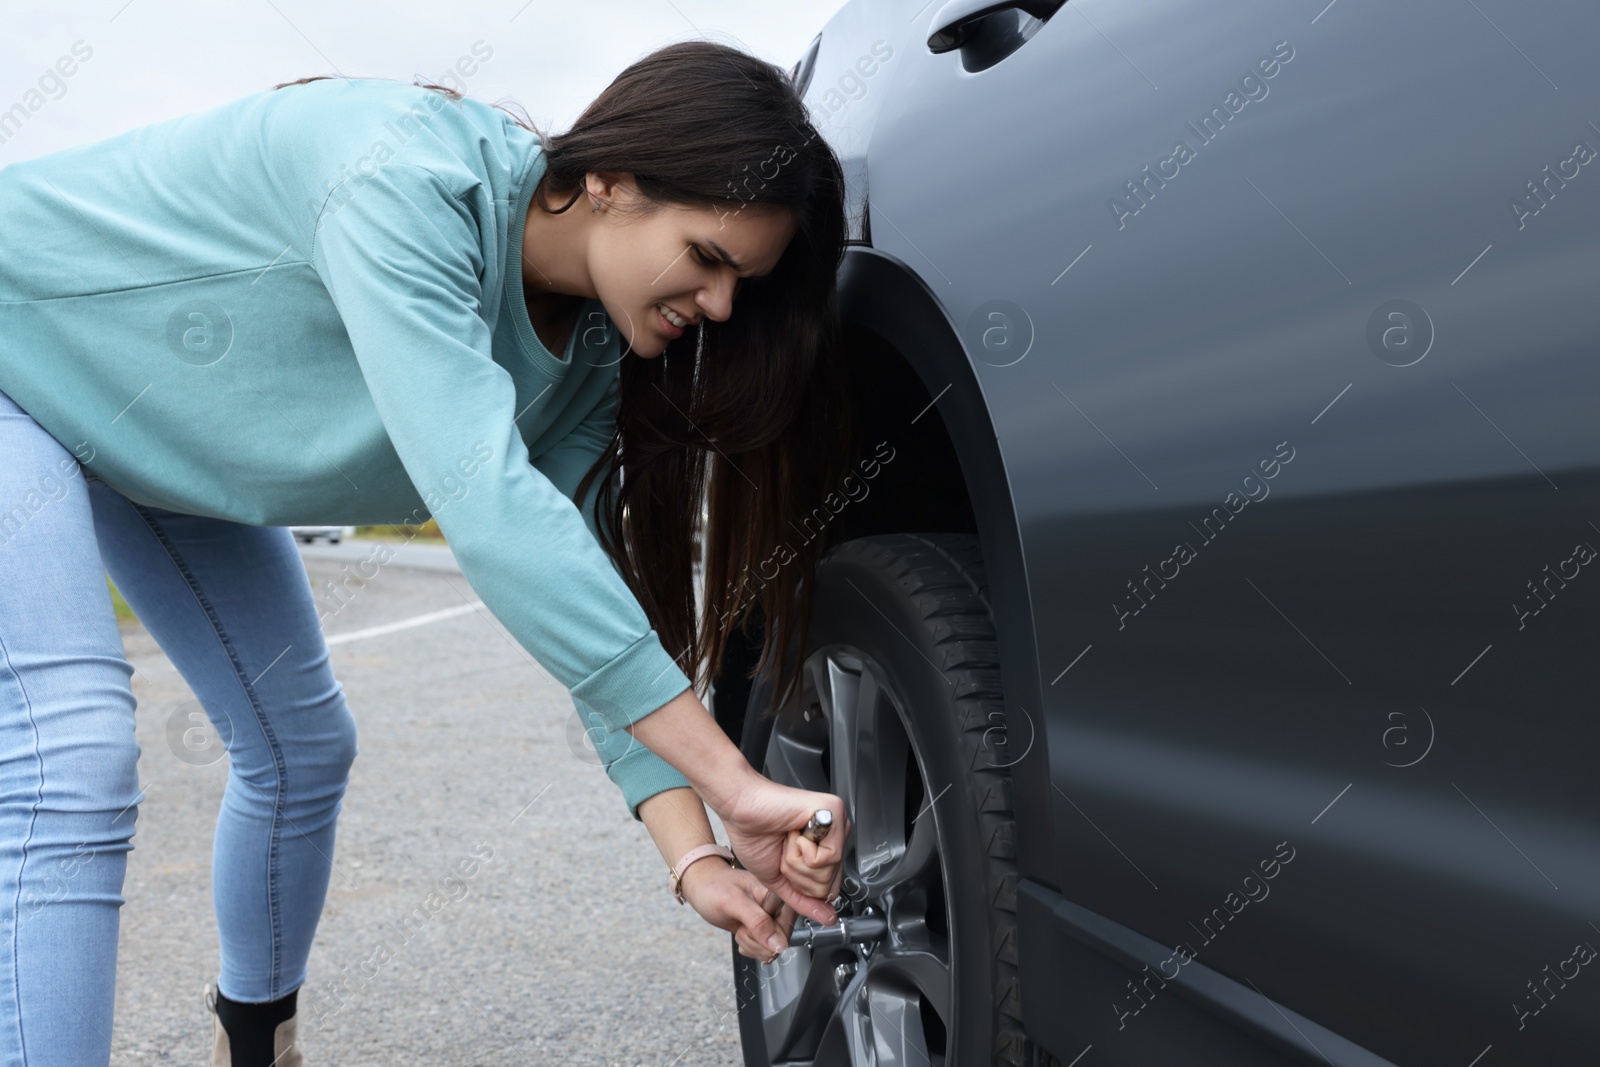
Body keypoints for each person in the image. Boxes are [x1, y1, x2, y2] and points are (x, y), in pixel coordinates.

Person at [0, 39, 853, 1066]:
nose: (718, 306)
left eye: (740, 284)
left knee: (301, 747)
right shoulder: (403, 177)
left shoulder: (588, 351)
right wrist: (736, 778)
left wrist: (698, 853)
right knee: (71, 757)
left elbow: (578, 591)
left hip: (154, 440)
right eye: (708, 258)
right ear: (611, 177)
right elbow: (483, 502)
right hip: (21, 360)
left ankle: (258, 1051)